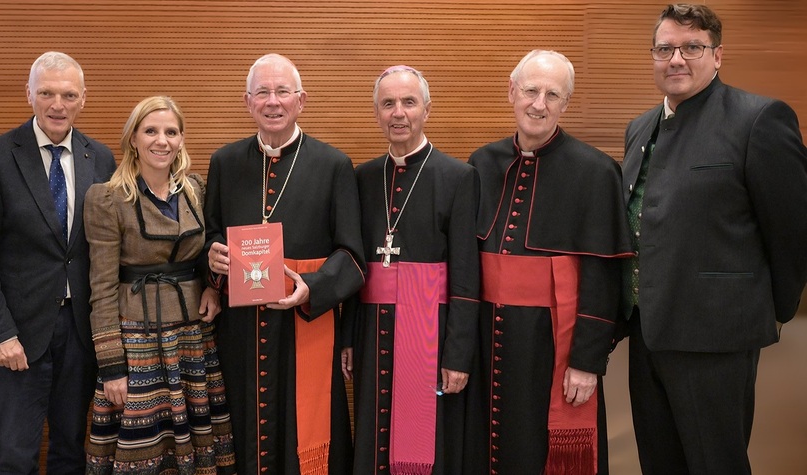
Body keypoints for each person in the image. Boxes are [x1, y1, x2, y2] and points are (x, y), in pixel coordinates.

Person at [622, 4, 807, 474]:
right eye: (665, 49)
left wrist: (773, 309)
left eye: (692, 47)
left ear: (718, 55)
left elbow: (793, 228)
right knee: (659, 464)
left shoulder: (759, 119)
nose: (677, 59)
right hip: (648, 334)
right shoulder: (639, 128)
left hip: (716, 335)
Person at [467, 50, 632, 474]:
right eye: (531, 90)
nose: (539, 104)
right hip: (486, 340)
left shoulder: (595, 172)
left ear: (565, 103)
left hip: (550, 346)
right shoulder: (481, 163)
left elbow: (604, 276)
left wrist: (587, 361)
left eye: (552, 95)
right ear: (511, 92)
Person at [203, 53, 365, 474]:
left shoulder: (333, 165)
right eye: (262, 93)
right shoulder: (224, 162)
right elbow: (211, 234)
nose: (272, 102)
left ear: (301, 100)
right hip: (239, 330)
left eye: (282, 92)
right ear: (247, 101)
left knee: (303, 436)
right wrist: (213, 257)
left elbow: (351, 255)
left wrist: (313, 288)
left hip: (304, 325)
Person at [0, 51, 117, 474]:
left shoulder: (99, 158)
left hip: (79, 334)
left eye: (68, 94)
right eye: (46, 92)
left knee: (70, 450)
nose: (57, 104)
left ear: (83, 99)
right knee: (17, 454)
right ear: (28, 94)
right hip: (17, 335)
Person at [82, 96, 236, 474]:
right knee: (142, 451)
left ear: (182, 139)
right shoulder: (106, 197)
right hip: (137, 342)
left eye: (171, 132)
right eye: (151, 131)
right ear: (133, 138)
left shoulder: (194, 190)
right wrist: (111, 367)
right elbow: (101, 288)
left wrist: (213, 288)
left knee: (198, 445)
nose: (161, 140)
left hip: (193, 340)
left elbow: (202, 257)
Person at [343, 66, 479, 474]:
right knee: (373, 434)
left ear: (426, 109)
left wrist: (458, 355)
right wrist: (348, 336)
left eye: (408, 102)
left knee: (424, 443)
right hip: (371, 330)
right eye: (388, 104)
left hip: (430, 333)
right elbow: (351, 263)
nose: (398, 113)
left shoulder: (458, 176)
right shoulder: (363, 177)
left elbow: (466, 275)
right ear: (376, 113)